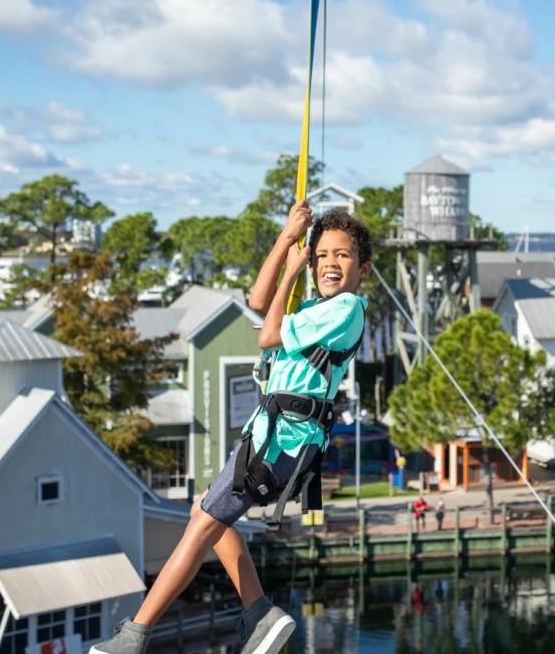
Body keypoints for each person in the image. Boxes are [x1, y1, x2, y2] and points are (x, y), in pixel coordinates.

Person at [90, 203, 373, 654]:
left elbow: (267, 334)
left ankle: (135, 636)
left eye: (341, 256)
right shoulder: (318, 308)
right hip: (268, 438)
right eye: (320, 255)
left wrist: (291, 270)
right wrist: (286, 241)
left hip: (283, 442)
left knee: (202, 523)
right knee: (206, 514)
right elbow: (259, 303)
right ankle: (258, 611)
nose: (329, 264)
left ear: (363, 269)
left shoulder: (345, 309)